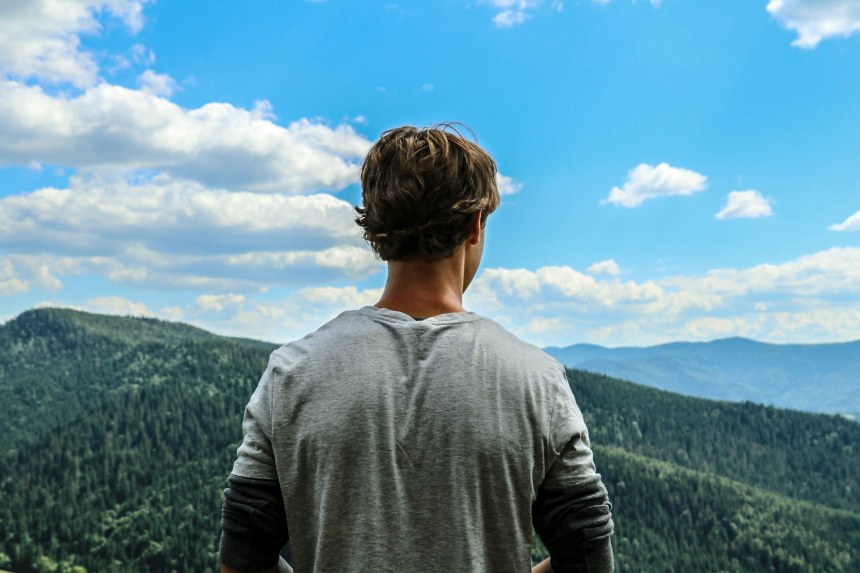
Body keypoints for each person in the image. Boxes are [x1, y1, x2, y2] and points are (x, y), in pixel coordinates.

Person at [219, 125, 614, 573]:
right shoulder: (538, 381)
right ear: (475, 224)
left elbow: (242, 559)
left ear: (376, 227)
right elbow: (588, 557)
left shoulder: (291, 373)